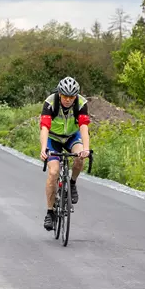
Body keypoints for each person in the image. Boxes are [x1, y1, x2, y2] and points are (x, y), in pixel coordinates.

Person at [39, 76, 91, 231]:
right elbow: (44, 127)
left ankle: (72, 183)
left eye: (71, 97)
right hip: (53, 139)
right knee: (53, 172)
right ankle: (50, 212)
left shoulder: (81, 104)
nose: (68, 100)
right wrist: (43, 148)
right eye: (65, 96)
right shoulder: (50, 102)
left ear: (76, 96)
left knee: (79, 157)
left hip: (71, 137)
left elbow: (84, 128)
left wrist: (86, 149)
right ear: (59, 94)